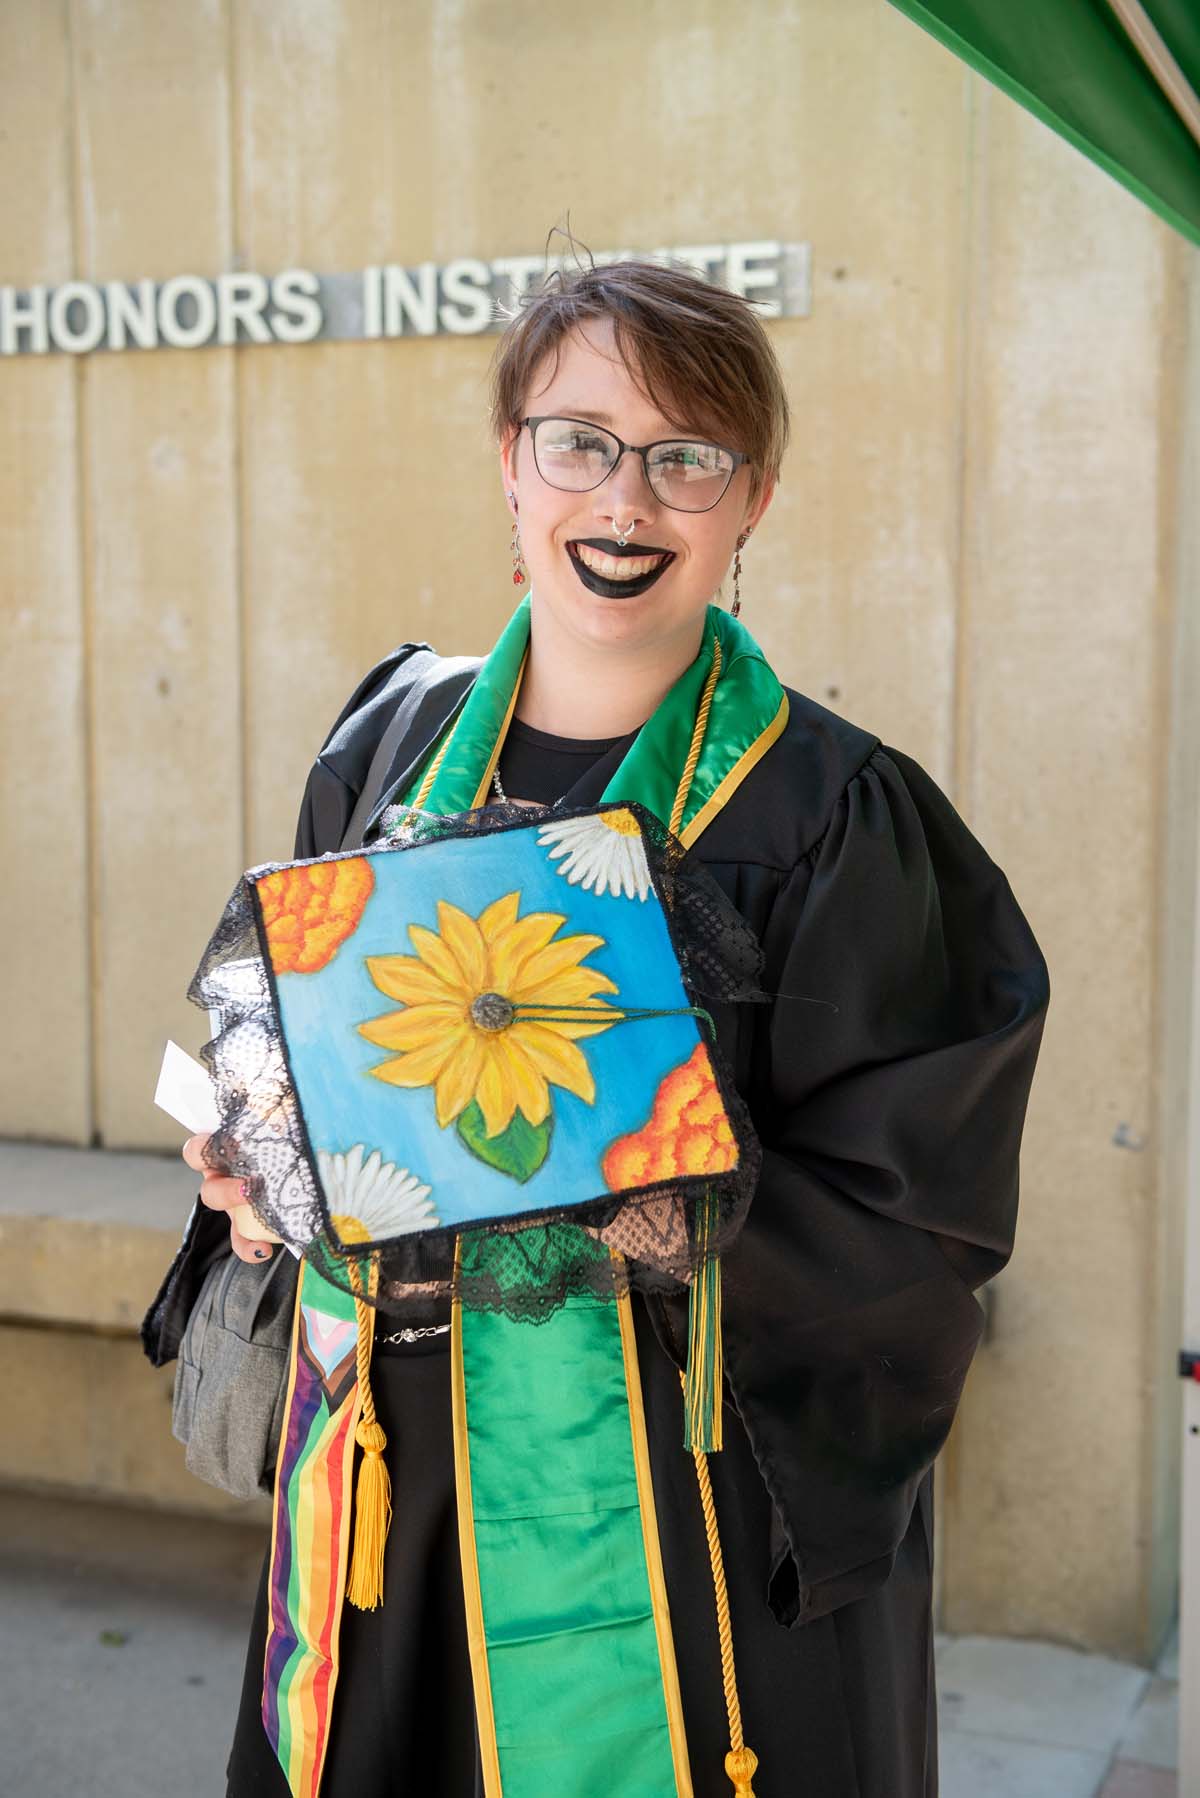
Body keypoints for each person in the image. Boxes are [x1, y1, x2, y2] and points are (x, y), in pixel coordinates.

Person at [156, 256, 1049, 1797]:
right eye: (578, 439)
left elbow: (920, 1231)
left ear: (751, 496)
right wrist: (255, 1183)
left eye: (685, 454)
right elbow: (324, 1064)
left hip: (694, 1554)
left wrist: (669, 1214)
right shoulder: (392, 743)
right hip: (399, 1513)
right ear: (511, 463)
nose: (625, 497)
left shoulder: (841, 818)